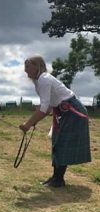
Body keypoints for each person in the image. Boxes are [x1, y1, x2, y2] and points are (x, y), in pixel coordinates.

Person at [19, 55, 91, 187]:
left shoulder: (44, 79)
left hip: (72, 112)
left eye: (27, 66)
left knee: (62, 143)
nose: (25, 70)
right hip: (63, 111)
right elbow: (47, 107)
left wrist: (28, 124)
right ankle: (56, 177)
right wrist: (34, 121)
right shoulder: (38, 80)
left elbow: (44, 107)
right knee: (57, 142)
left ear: (37, 66)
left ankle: (58, 179)